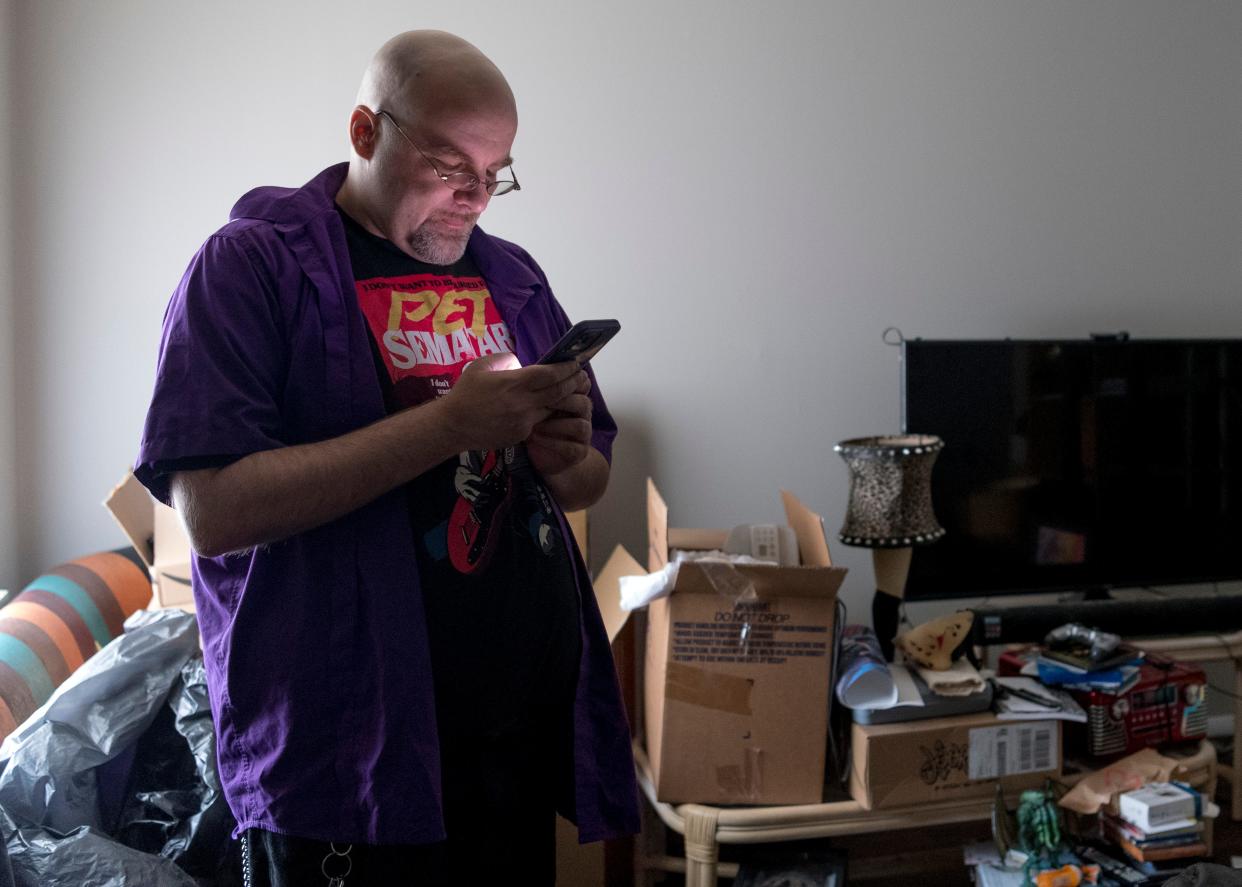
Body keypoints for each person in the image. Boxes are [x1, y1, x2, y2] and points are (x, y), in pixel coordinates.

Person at [134, 30, 639, 886]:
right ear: (366, 132)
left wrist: (564, 455)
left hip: (509, 743)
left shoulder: (508, 274)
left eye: (495, 173)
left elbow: (590, 472)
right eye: (450, 165)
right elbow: (212, 512)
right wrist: (447, 427)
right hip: (347, 765)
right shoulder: (250, 269)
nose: (475, 198)